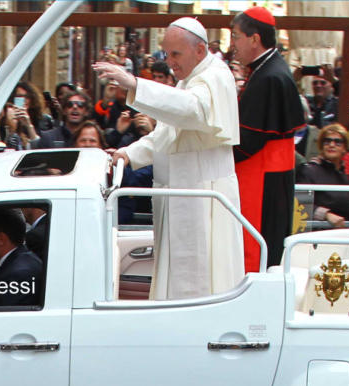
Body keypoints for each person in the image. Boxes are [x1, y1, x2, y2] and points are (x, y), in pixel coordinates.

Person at [98, 17, 243, 300]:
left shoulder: (214, 76)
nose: (170, 61)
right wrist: (128, 154)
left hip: (201, 195)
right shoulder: (189, 78)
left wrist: (136, 86)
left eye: (175, 54)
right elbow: (167, 134)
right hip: (183, 194)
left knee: (198, 280)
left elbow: (192, 111)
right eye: (167, 53)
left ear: (199, 50)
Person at [230, 8, 306, 273]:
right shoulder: (268, 69)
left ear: (254, 38)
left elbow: (246, 142)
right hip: (269, 177)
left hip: (261, 181)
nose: (233, 45)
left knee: (256, 255)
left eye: (236, 37)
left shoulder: (269, 77)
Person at [298, 123, 349, 227]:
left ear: (345, 148)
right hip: (317, 232)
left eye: (338, 142)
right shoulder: (309, 170)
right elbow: (301, 203)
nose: (332, 145)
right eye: (327, 141)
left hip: (347, 231)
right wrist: (326, 215)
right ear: (321, 146)